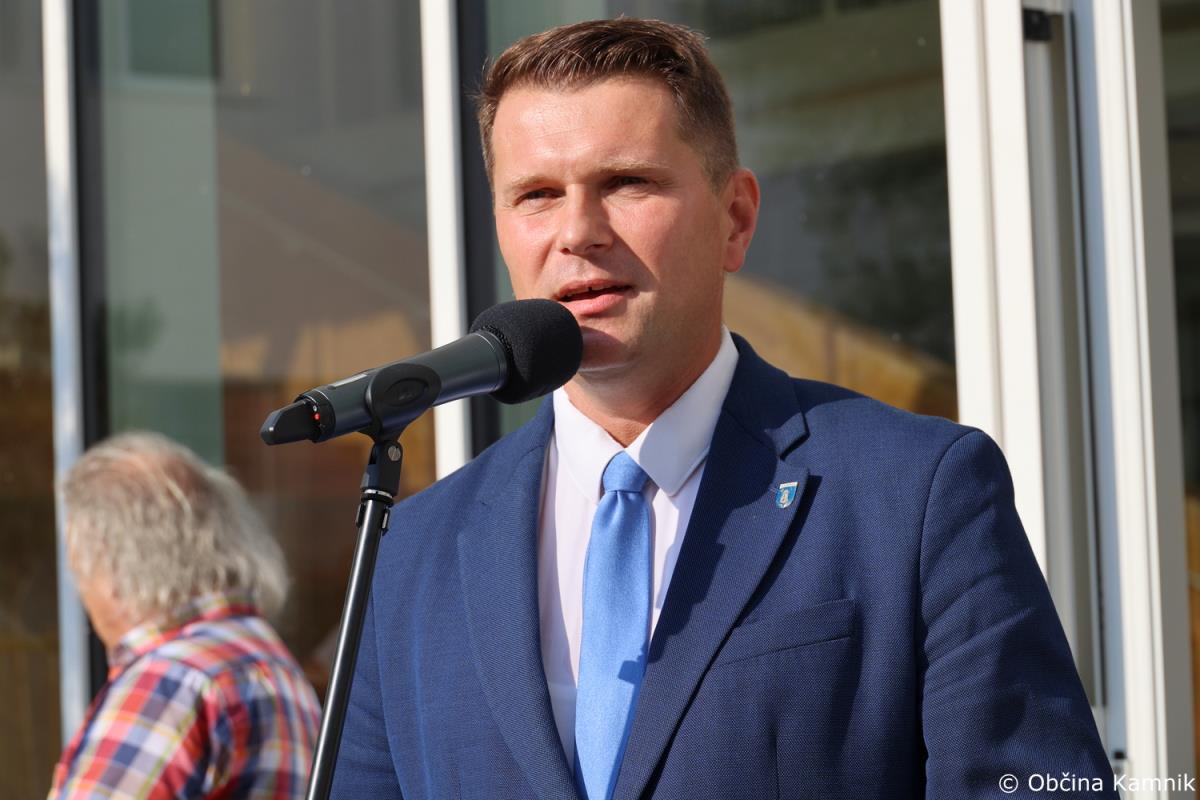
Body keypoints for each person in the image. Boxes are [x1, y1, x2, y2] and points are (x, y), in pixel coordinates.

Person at [331, 18, 1115, 800]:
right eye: (537, 195)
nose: (578, 232)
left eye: (626, 183)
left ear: (735, 218)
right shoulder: (413, 554)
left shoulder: (915, 494)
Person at [50, 432, 321, 799]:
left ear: (106, 564)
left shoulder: (170, 681)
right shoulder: (272, 662)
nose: (81, 590)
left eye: (77, 567)